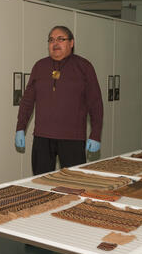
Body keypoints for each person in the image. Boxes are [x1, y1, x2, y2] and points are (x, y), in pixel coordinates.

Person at [15, 25, 103, 175]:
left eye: (61, 39)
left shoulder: (84, 67)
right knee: (40, 184)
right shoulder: (40, 66)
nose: (55, 43)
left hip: (72, 139)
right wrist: (20, 127)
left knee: (73, 185)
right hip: (42, 138)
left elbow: (95, 104)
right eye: (51, 40)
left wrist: (95, 134)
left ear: (71, 43)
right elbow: (27, 101)